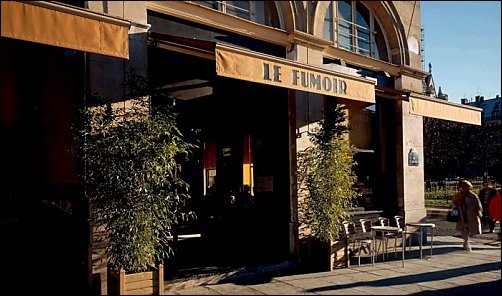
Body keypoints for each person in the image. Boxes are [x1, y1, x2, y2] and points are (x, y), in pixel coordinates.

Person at [452, 180, 483, 251]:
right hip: (462, 215)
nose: (463, 187)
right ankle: (466, 242)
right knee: (464, 229)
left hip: (471, 215)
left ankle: (466, 242)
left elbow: (479, 206)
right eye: (462, 186)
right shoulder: (459, 195)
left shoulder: (473, 196)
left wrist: (479, 213)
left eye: (465, 186)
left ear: (469, 187)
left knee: (469, 229)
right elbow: (454, 204)